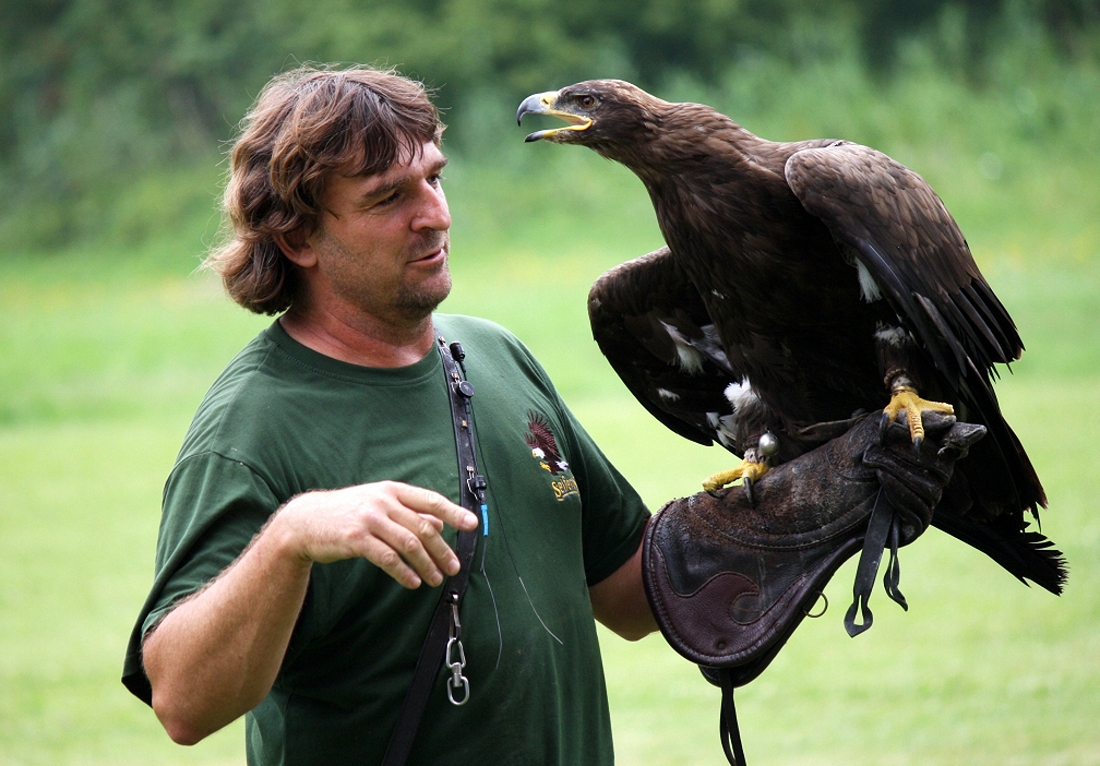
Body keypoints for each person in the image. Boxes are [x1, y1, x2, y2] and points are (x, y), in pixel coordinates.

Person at [122, 64, 657, 765]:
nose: (433, 213)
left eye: (434, 178)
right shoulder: (251, 426)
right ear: (298, 238)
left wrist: (786, 495)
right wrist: (291, 537)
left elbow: (631, 592)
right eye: (387, 198)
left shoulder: (496, 356)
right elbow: (183, 702)